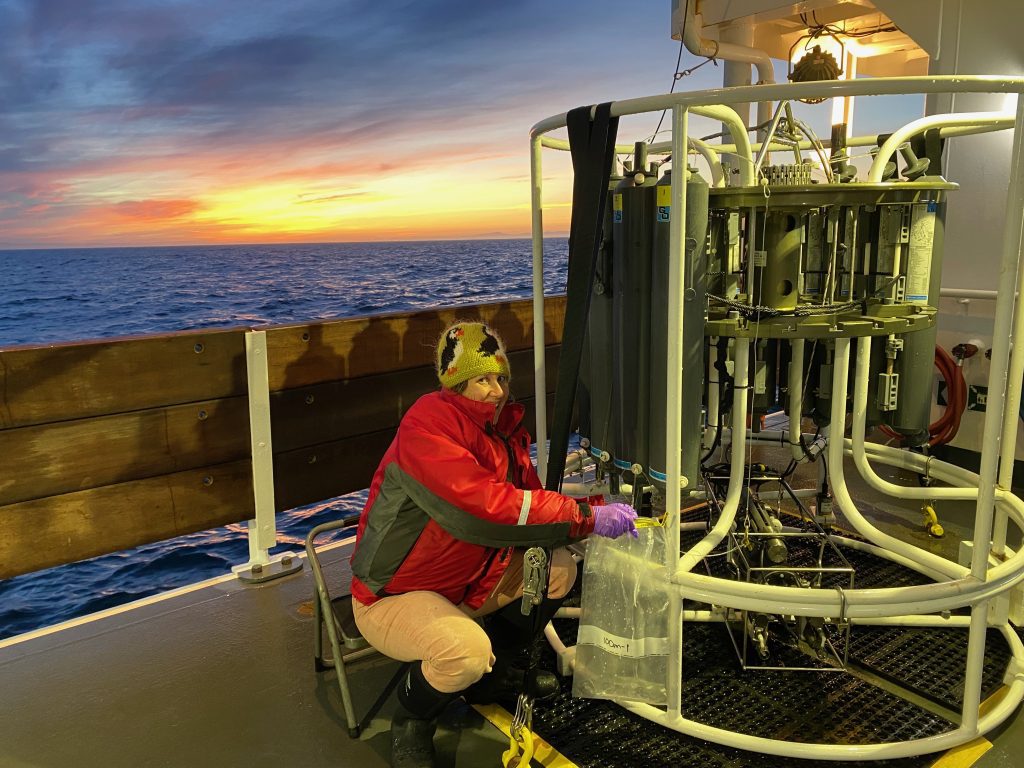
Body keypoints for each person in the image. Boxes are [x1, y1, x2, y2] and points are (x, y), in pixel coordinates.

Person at [349, 320, 638, 768]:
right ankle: (411, 719)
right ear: (454, 380)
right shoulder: (427, 425)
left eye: (501, 378)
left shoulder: (504, 431)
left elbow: (530, 502)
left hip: (467, 581)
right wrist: (587, 518)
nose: (496, 390)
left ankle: (494, 675)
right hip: (394, 596)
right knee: (464, 651)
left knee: (557, 567)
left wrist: (601, 508)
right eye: (482, 379)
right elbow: (482, 509)